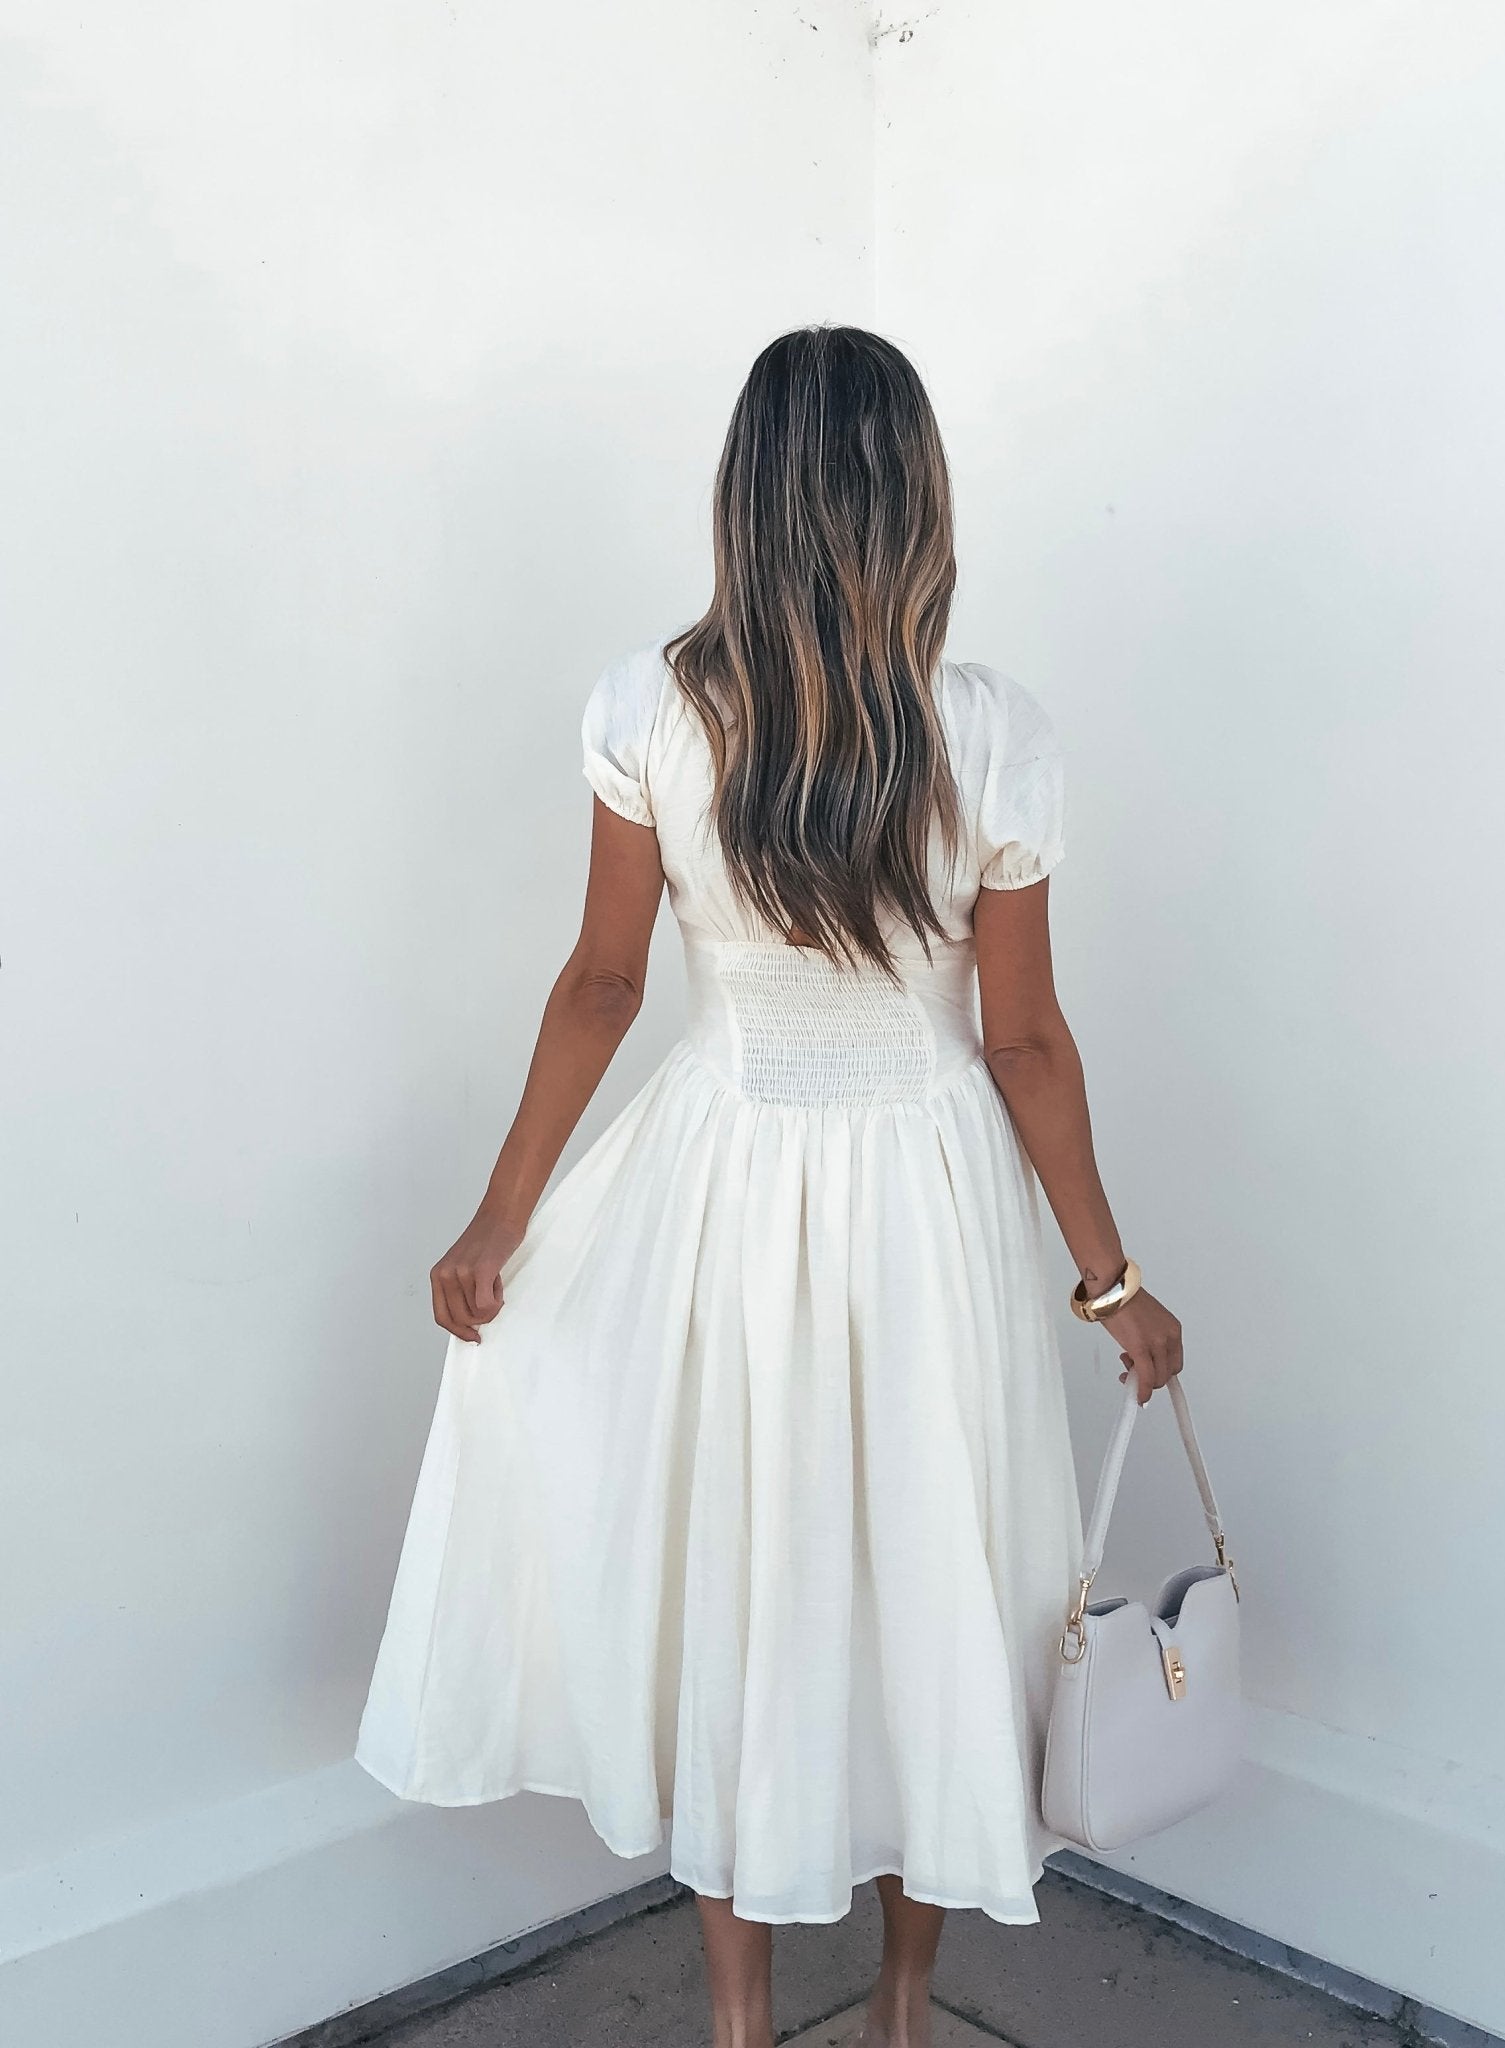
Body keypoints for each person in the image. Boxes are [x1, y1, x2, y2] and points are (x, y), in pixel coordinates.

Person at [355, 324, 1184, 2048]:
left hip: (720, 1186)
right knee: (930, 1581)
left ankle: (739, 2028)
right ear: (919, 499)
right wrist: (1110, 1280)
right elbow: (1026, 1045)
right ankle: (896, 2015)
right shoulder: (994, 735)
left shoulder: (652, 708)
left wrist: (503, 1217)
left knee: (751, 1579)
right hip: (930, 1202)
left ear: (748, 493)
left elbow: (602, 984)